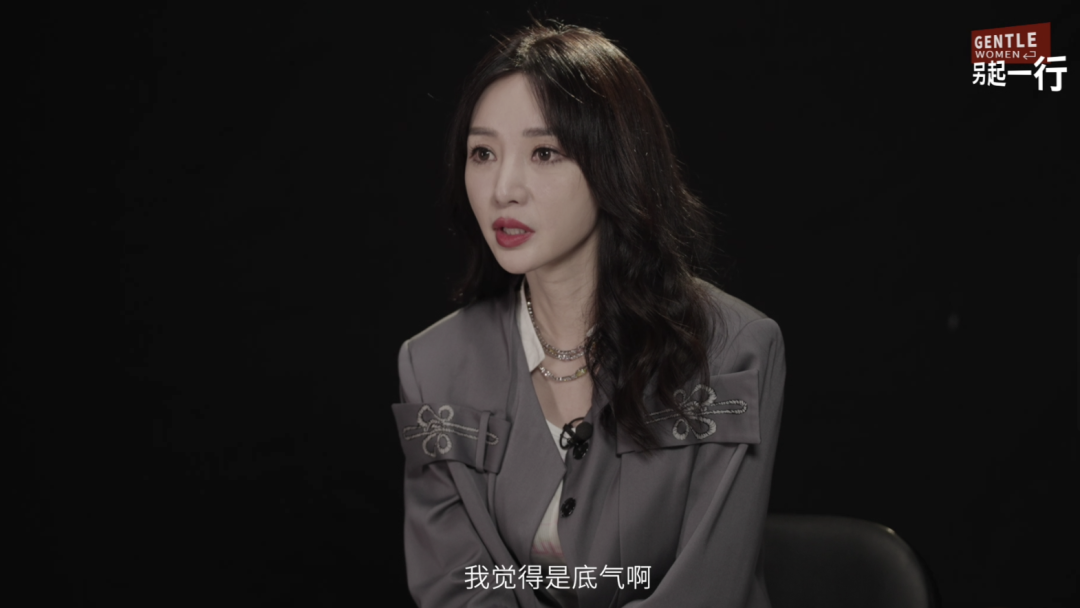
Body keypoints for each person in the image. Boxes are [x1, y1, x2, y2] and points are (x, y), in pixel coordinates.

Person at [391, 21, 785, 608]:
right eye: (482, 153)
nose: (503, 189)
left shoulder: (733, 347)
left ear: (615, 164)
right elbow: (458, 585)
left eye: (544, 152)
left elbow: (708, 589)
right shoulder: (432, 367)